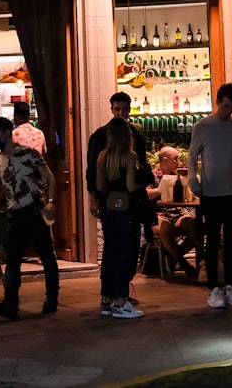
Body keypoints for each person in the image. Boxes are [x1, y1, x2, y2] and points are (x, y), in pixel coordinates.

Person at [0, 117, 60, 320]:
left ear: (7, 133)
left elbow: (50, 178)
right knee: (12, 261)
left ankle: (51, 300)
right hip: (14, 214)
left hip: (35, 210)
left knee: (47, 256)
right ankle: (10, 304)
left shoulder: (29, 154)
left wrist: (51, 202)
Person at [86, 91, 154, 310]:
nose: (121, 113)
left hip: (112, 203)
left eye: (124, 109)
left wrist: (97, 196)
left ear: (129, 108)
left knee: (113, 249)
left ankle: (110, 296)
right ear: (111, 109)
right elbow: (134, 180)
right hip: (127, 203)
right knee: (126, 249)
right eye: (117, 109)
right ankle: (120, 297)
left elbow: (95, 178)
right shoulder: (105, 139)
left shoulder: (109, 149)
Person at [188, 82, 232, 310]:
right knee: (212, 240)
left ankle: (230, 285)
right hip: (211, 191)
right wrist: (194, 181)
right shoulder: (202, 126)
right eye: (225, 106)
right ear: (218, 102)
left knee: (231, 240)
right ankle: (213, 288)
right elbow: (192, 157)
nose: (228, 111)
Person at [151, 146, 198, 278]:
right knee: (165, 227)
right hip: (158, 214)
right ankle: (184, 263)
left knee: (198, 226)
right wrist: (160, 189)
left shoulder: (177, 176)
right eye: (175, 159)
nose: (179, 162)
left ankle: (173, 256)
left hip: (177, 214)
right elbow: (144, 194)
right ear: (165, 160)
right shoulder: (152, 175)